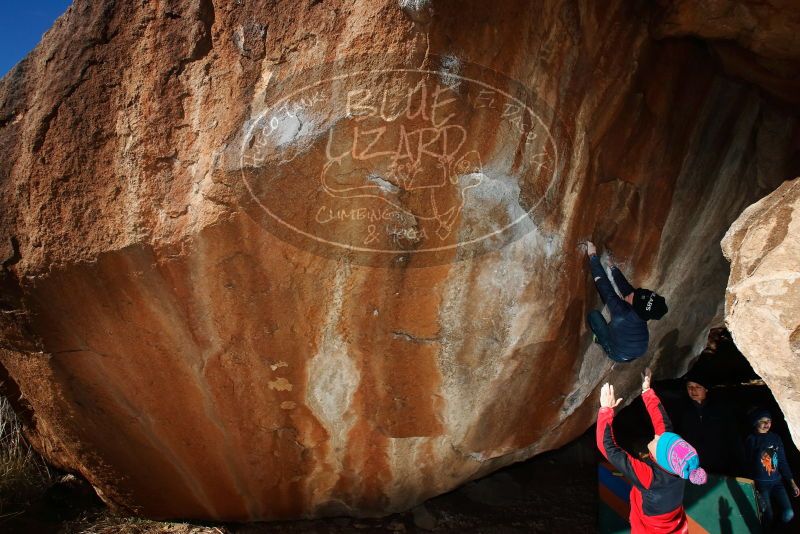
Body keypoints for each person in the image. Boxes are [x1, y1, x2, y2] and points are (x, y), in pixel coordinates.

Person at [596, 368, 707, 533]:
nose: (655, 437)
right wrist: (647, 392)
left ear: (660, 458)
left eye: (657, 441)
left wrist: (606, 411)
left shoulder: (649, 477)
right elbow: (662, 425)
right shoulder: (678, 466)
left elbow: (609, 449)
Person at [585, 241, 667, 362]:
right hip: (637, 349)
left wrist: (592, 256)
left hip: (619, 353)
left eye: (634, 296)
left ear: (635, 307)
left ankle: (601, 340)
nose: (632, 293)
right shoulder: (641, 309)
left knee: (594, 316)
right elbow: (627, 289)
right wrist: (612, 267)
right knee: (625, 300)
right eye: (637, 292)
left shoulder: (623, 314)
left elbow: (604, 286)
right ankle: (617, 339)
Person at [673, 367, 745, 476]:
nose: (693, 391)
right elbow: (677, 437)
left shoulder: (721, 409)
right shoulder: (682, 410)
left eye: (698, 387)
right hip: (693, 465)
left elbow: (733, 438)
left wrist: (738, 466)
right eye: (689, 387)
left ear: (706, 389)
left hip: (719, 465)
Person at [745, 409, 800, 530]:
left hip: (777, 483)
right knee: (768, 516)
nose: (767, 424)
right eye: (762, 421)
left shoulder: (775, 438)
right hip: (761, 484)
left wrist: (793, 483)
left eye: (769, 421)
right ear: (755, 422)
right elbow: (747, 463)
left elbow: (782, 461)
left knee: (789, 513)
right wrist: (752, 486)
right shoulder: (751, 439)